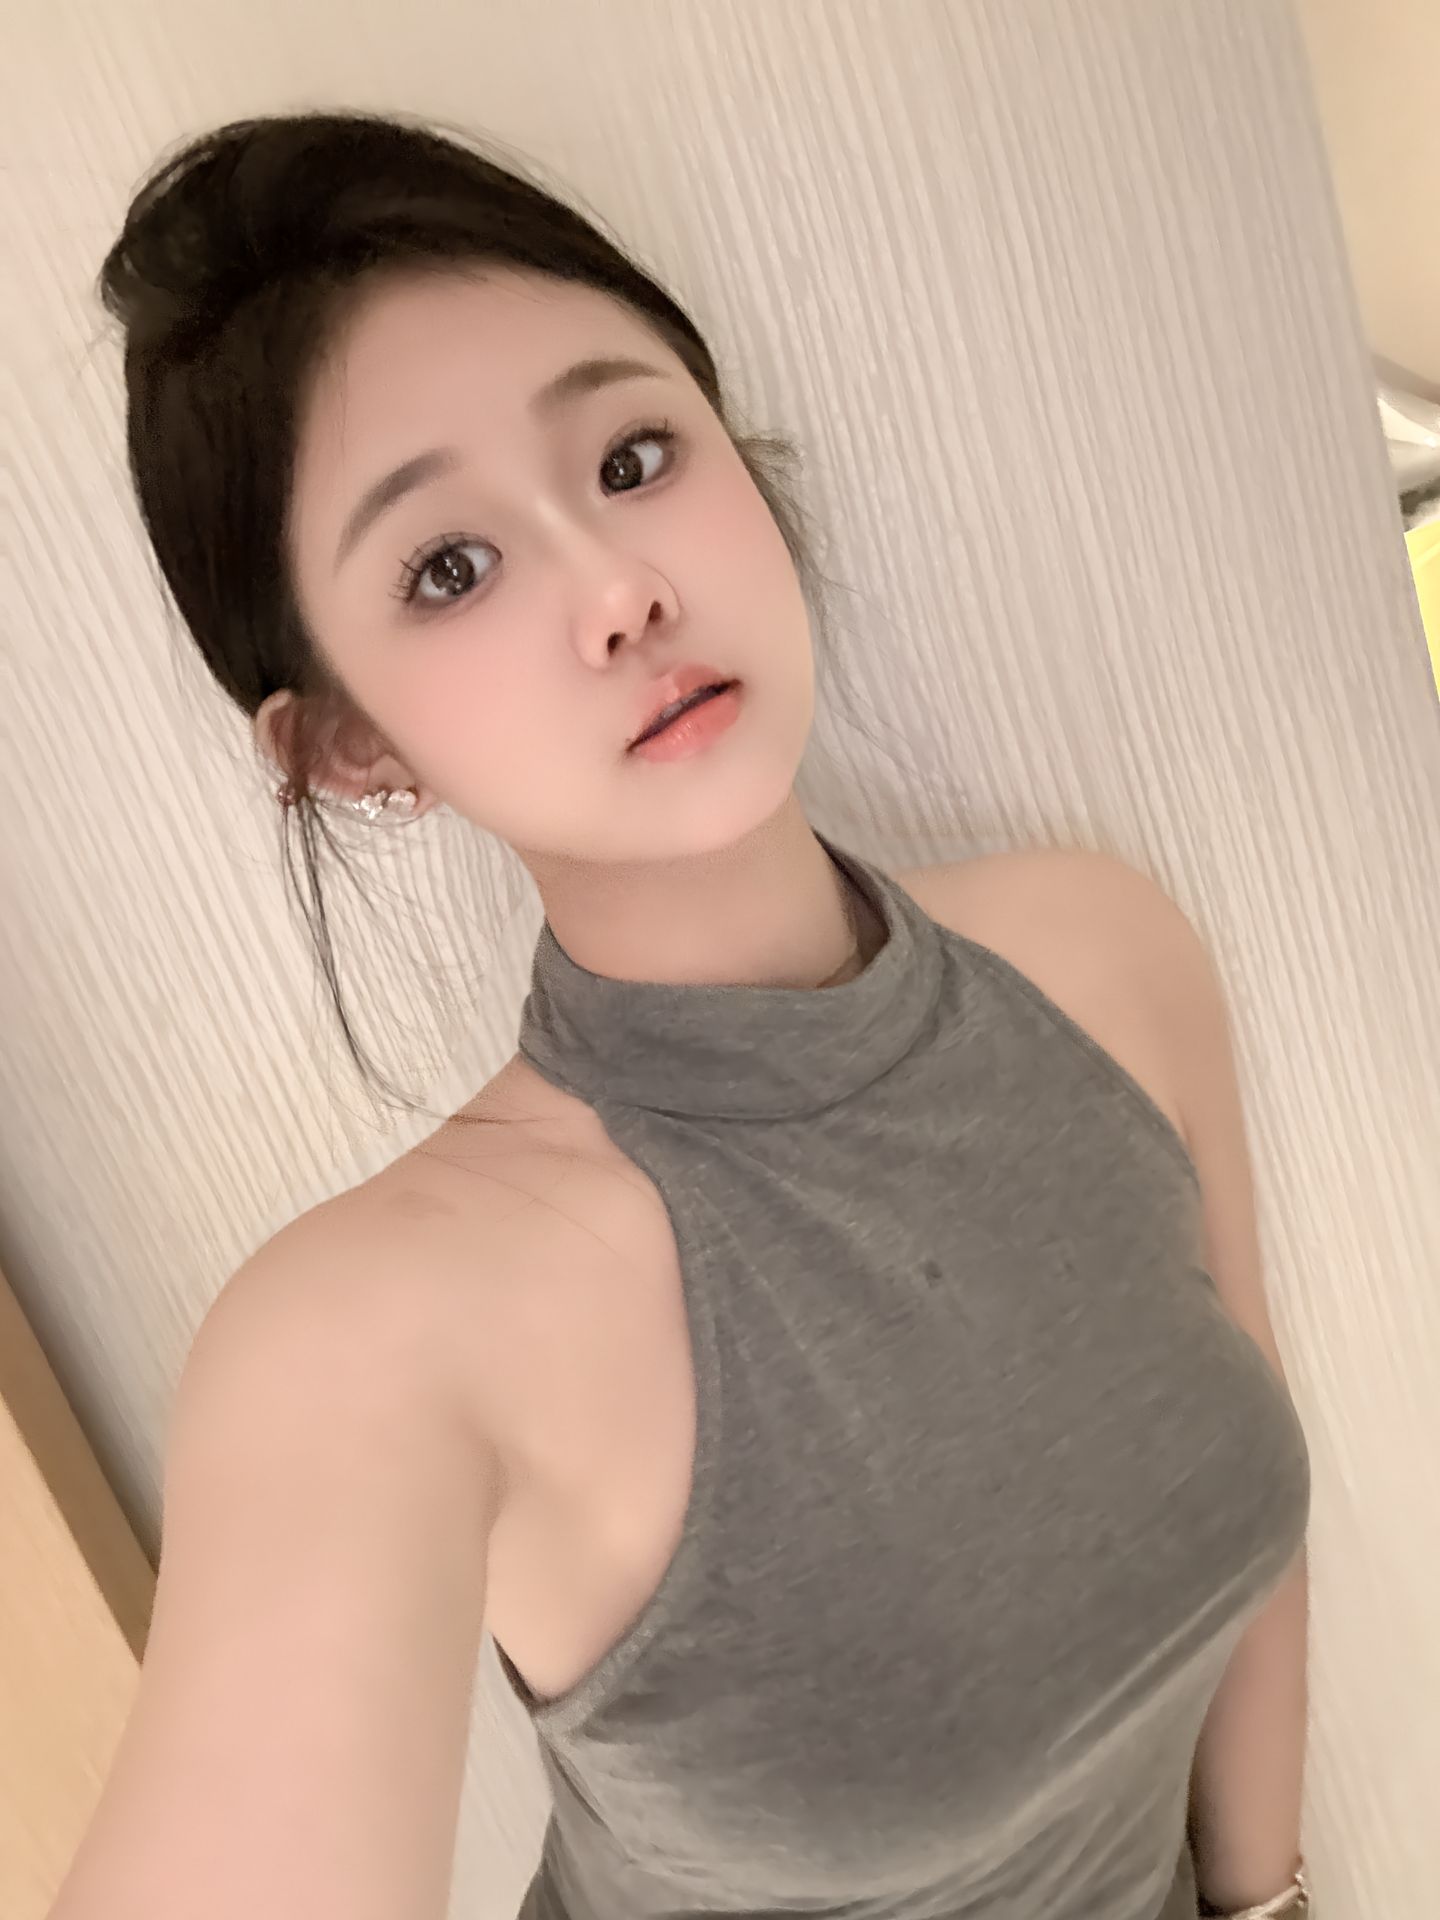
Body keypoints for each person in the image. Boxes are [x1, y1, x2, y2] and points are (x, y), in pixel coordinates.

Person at [52, 110, 1312, 1920]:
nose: (619, 588)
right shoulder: (376, 1338)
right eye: (450, 567)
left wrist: (1269, 1899)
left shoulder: (1102, 958)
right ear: (352, 744)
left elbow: (1258, 1555)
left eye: (633, 455)